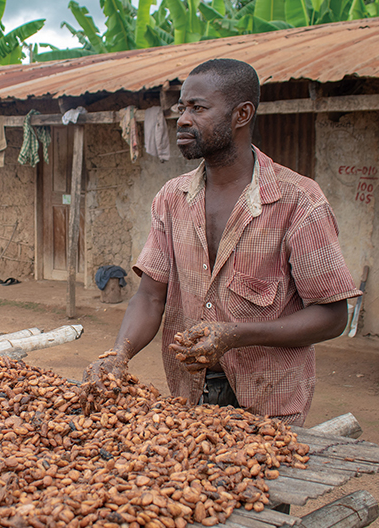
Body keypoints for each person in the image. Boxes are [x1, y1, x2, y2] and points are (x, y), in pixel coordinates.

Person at [83, 59, 361, 427]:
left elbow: (332, 317)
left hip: (269, 402)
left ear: (241, 114)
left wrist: (234, 335)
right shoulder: (172, 198)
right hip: (190, 393)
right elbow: (150, 297)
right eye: (182, 108)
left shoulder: (298, 202)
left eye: (198, 108)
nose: (182, 119)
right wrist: (119, 352)